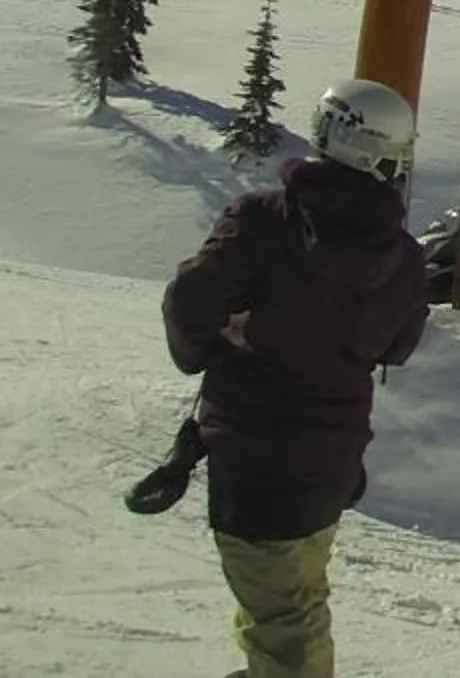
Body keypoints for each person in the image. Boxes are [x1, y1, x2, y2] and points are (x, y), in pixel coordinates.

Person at [162, 77, 430, 678]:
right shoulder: (405, 256)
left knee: (283, 618)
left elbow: (190, 301)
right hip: (334, 459)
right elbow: (398, 347)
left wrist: (206, 355)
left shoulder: (263, 220)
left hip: (252, 453)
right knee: (296, 601)